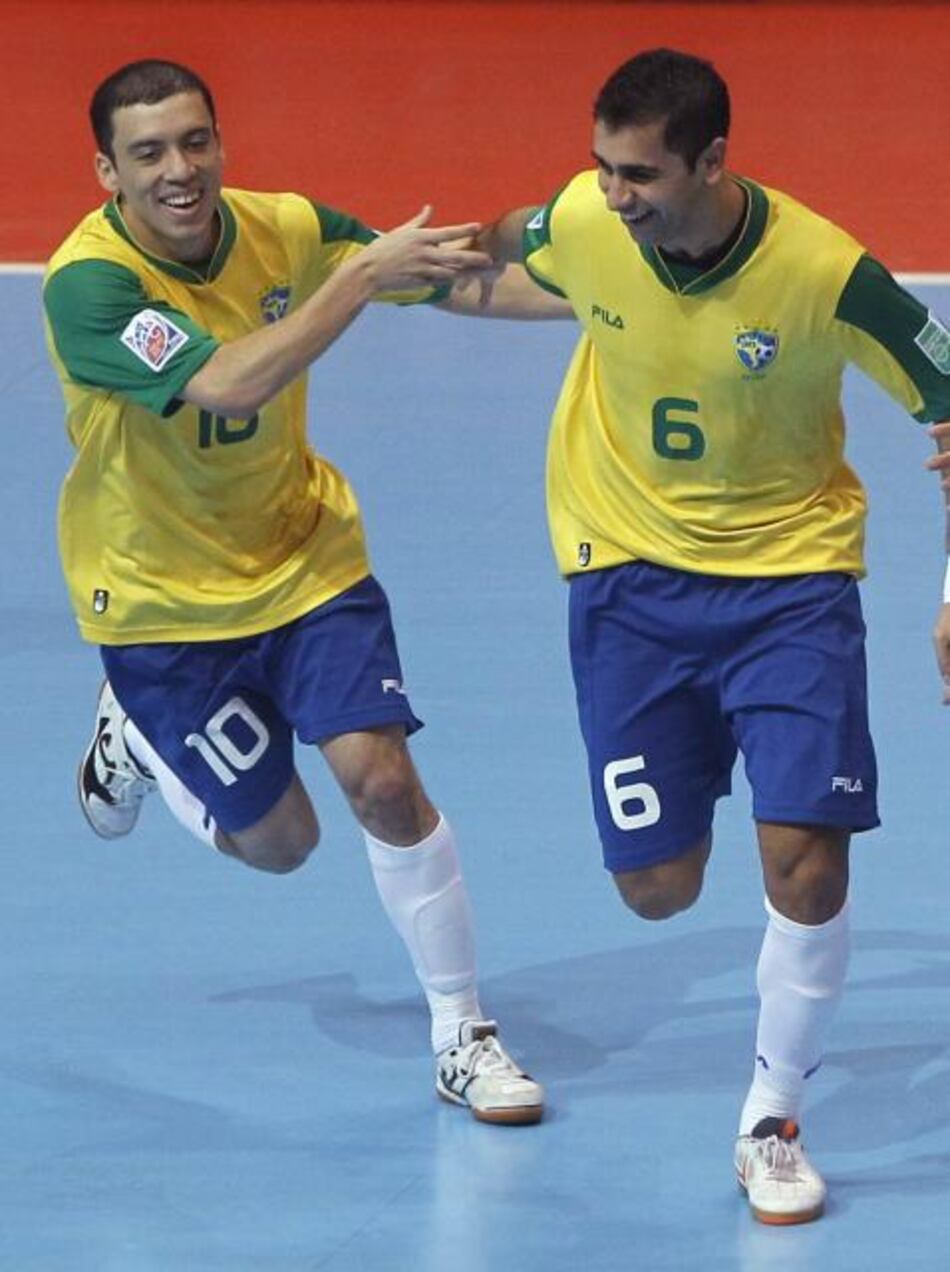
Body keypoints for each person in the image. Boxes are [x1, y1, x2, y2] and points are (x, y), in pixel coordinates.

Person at [470, 47, 950, 1219]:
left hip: (788, 585)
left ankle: (772, 1118)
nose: (613, 193)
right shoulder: (587, 219)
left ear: (713, 162)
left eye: (638, 173)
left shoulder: (825, 274)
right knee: (656, 889)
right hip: (629, 582)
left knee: (806, 857)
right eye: (602, 168)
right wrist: (372, 266)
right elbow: (508, 242)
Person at [43, 58, 562, 1126]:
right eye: (148, 154)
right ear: (107, 173)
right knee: (281, 845)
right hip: (161, 606)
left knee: (380, 781)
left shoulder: (282, 225)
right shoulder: (90, 286)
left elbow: (446, 276)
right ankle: (138, 741)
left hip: (303, 560)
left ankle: (461, 1031)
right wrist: (355, 280)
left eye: (195, 141)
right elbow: (234, 378)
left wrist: (605, 295)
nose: (179, 170)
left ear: (220, 144)